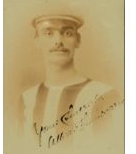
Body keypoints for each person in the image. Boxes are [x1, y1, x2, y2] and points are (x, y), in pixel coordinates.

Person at [20, 14, 124, 154]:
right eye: (48, 33)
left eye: (67, 33)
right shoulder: (27, 99)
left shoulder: (104, 96)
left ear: (78, 40)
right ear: (37, 40)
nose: (58, 41)